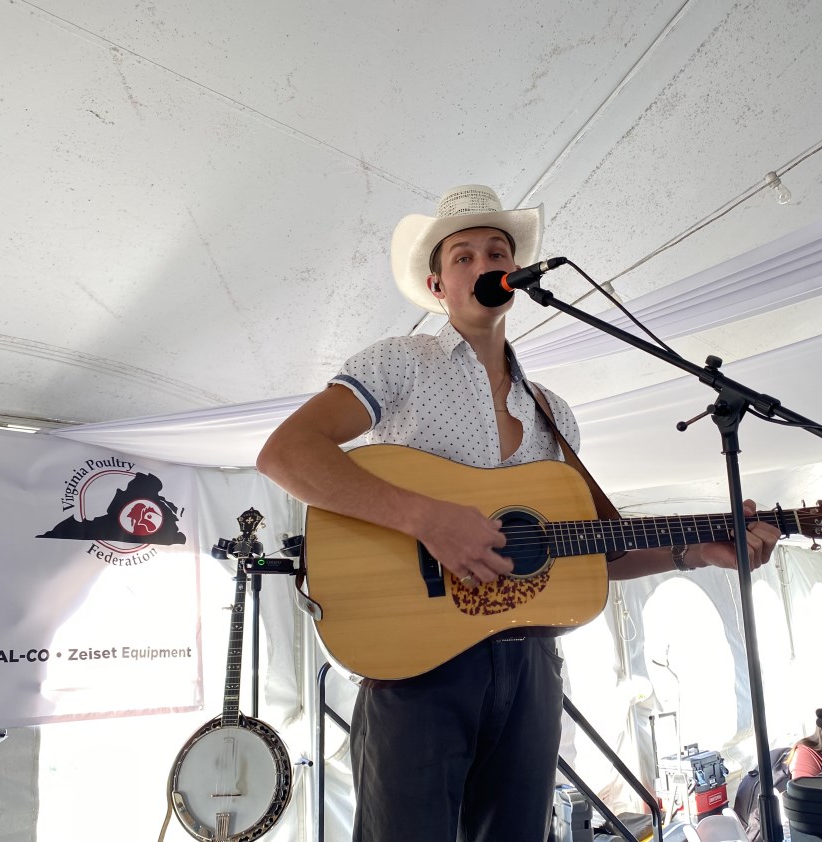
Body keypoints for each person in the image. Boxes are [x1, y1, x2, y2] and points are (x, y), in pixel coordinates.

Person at [256, 184, 780, 840]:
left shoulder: (553, 413)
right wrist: (426, 519)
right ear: (437, 285)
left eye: (497, 252)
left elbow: (588, 551)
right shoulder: (399, 363)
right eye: (464, 256)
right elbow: (287, 454)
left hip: (531, 669)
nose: (484, 264)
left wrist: (695, 550)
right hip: (417, 664)